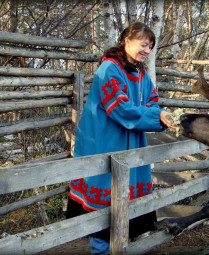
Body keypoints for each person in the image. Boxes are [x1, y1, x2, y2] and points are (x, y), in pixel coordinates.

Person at [66, 22, 176, 255]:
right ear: (126, 41)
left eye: (150, 46)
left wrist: (161, 115)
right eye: (143, 44)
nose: (146, 50)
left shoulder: (141, 73)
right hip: (104, 143)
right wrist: (158, 116)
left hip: (131, 145)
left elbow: (151, 102)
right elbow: (121, 108)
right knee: (102, 208)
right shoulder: (109, 69)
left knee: (126, 209)